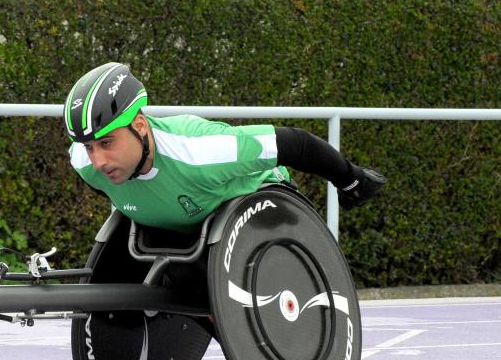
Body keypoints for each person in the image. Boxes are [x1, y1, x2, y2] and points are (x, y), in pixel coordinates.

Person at [64, 62, 386, 234]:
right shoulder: (85, 163)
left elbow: (296, 144)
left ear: (139, 126)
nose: (99, 160)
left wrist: (351, 180)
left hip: (260, 206)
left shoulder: (202, 152)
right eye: (89, 147)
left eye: (107, 143)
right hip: (185, 221)